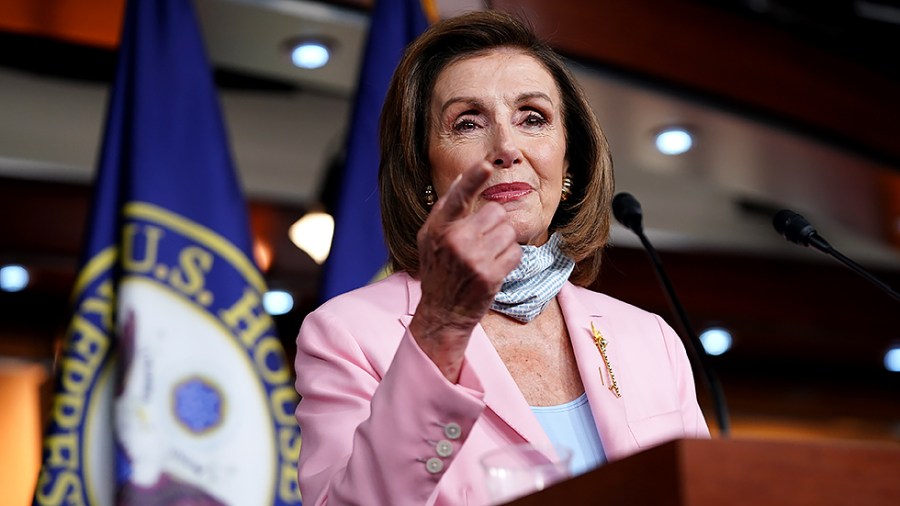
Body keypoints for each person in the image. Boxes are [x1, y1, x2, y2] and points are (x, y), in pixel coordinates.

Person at [293, 10, 710, 506]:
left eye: (532, 118)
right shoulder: (346, 336)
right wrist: (441, 326)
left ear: (568, 159)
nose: (506, 147)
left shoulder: (651, 339)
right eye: (467, 123)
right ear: (424, 170)